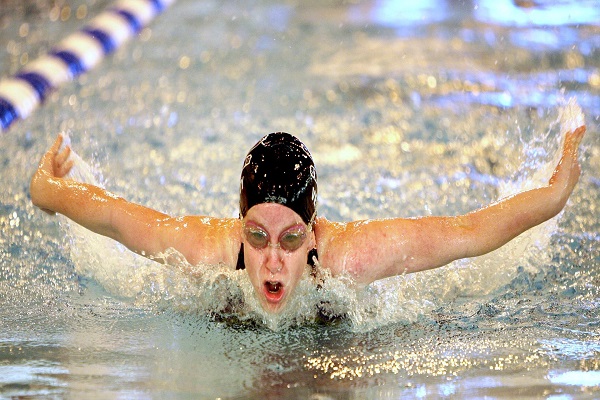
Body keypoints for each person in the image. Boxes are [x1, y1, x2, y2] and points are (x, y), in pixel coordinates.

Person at [30, 126, 586, 314]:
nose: (272, 259)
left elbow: (468, 234)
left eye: (292, 239)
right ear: (239, 223)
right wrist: (49, 188)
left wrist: (555, 196)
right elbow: (113, 216)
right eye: (258, 236)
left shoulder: (348, 257)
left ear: (314, 230)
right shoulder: (204, 248)